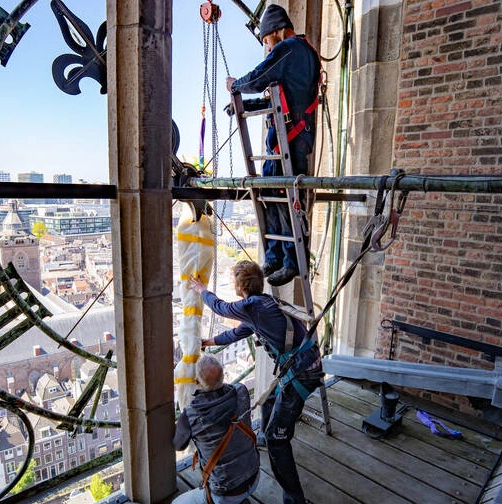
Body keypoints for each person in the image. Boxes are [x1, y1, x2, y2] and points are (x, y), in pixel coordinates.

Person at [189, 261, 323, 504]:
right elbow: (236, 333)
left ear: (241, 286)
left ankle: (295, 499)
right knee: (270, 399)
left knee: (278, 440)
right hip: (306, 367)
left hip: (302, 374)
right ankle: (265, 435)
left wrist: (201, 290)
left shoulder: (252, 306)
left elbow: (220, 307)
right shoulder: (262, 306)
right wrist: (208, 342)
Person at [226, 5, 321, 287]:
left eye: (267, 42)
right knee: (270, 193)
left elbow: (257, 78)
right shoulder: (301, 54)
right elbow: (278, 102)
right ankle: (275, 255)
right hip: (285, 142)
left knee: (285, 198)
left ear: (277, 32)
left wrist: (235, 86)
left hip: (290, 142)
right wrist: (246, 106)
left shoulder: (291, 48)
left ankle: (290, 261)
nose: (267, 49)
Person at [173, 354, 260, 504]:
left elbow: (178, 445)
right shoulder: (241, 392)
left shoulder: (191, 415)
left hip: (225, 492)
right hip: (254, 477)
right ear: (223, 376)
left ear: (196, 382)